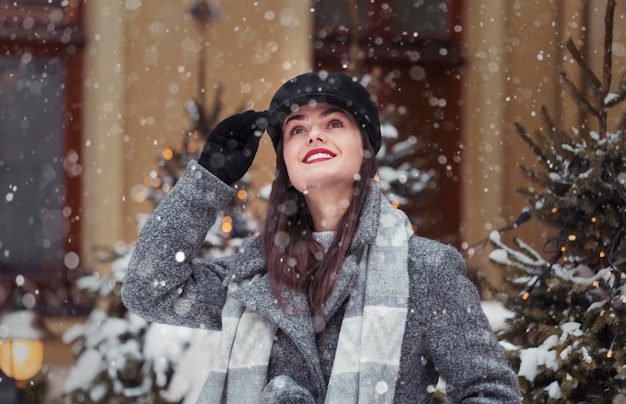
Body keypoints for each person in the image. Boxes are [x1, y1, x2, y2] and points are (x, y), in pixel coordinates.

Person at [122, 71, 520, 403]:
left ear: (365, 150)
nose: (314, 136)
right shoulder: (251, 278)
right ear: (287, 167)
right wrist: (209, 181)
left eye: (333, 123)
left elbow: (490, 392)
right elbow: (149, 289)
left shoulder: (426, 270)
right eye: (297, 129)